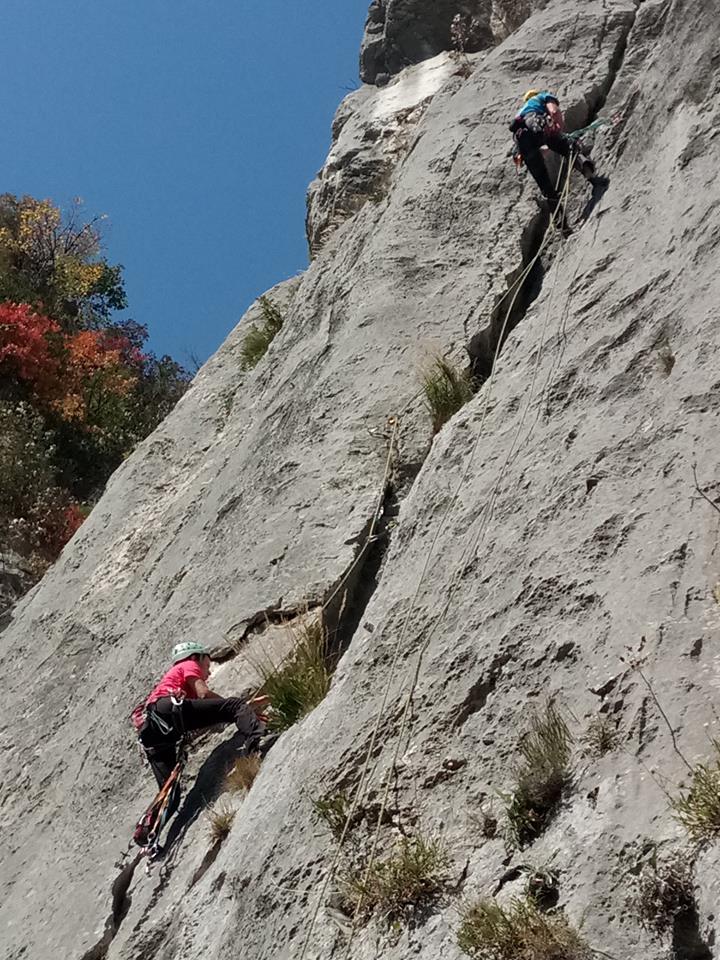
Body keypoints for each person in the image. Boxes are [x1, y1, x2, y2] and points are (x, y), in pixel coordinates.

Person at [132, 640, 269, 791]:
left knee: (169, 790)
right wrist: (243, 708)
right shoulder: (189, 664)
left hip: (152, 730)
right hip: (169, 711)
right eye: (207, 666)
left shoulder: (170, 680)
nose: (208, 673)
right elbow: (203, 694)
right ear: (195, 657)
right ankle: (255, 745)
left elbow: (208, 715)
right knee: (235, 705)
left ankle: (162, 811)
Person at [510, 88, 608, 222]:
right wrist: (559, 130)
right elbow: (554, 111)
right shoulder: (542, 97)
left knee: (546, 188)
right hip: (541, 129)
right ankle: (593, 179)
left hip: (524, 145)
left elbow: (536, 145)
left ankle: (562, 227)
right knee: (571, 148)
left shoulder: (520, 114)